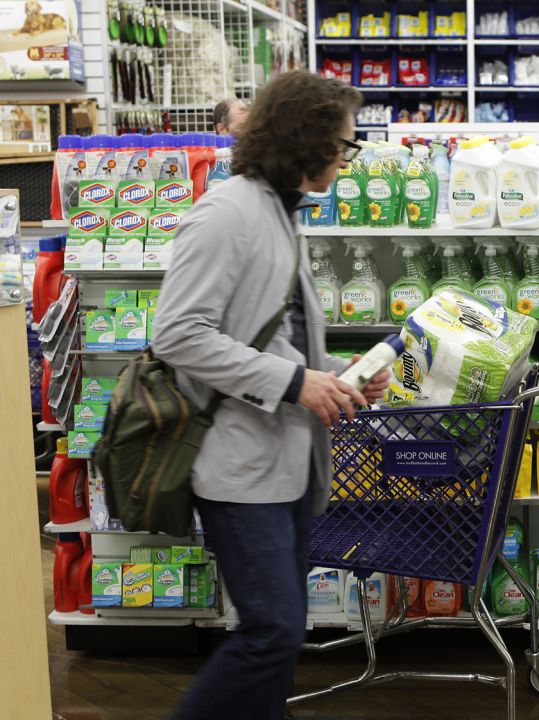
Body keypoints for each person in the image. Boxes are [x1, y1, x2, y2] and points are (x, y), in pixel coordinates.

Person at [152, 71, 387, 720]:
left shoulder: (277, 212)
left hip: (282, 465)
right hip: (238, 469)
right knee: (272, 631)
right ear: (304, 139)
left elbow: (273, 336)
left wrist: (340, 373)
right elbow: (176, 333)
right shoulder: (228, 213)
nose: (347, 157)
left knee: (281, 635)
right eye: (344, 144)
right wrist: (294, 383)